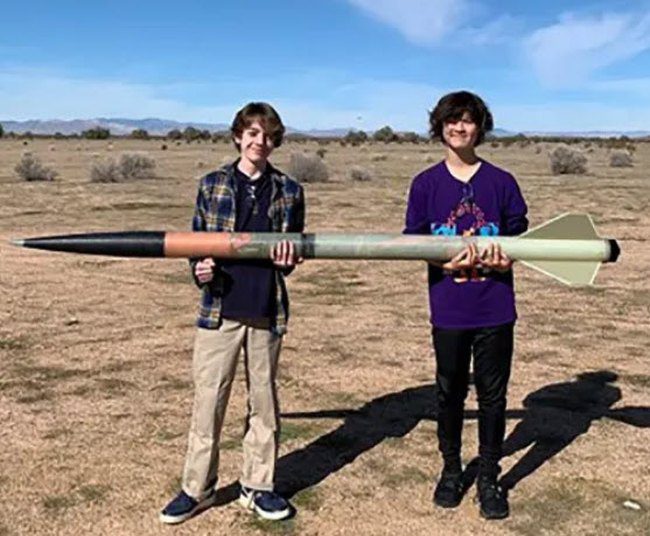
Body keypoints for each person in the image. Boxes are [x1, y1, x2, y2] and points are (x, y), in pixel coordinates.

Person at [160, 102, 305, 524]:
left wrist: (286, 259)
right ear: (239, 136)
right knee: (209, 401)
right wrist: (199, 268)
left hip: (265, 310)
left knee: (264, 403)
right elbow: (195, 244)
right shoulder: (213, 185)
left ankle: (258, 486)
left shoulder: (290, 191)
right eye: (253, 133)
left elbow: (291, 255)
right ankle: (197, 489)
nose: (260, 142)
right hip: (220, 310)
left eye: (268, 135)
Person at [404, 91, 528, 520]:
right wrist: (439, 256)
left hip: (495, 307)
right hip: (449, 308)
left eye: (468, 120)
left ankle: (491, 476)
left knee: (493, 396)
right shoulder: (425, 184)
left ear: (481, 127)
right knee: (450, 391)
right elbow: (414, 241)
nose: (460, 128)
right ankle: (452, 469)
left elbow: (519, 238)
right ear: (439, 126)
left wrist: (507, 254)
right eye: (451, 120)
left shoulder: (502, 182)